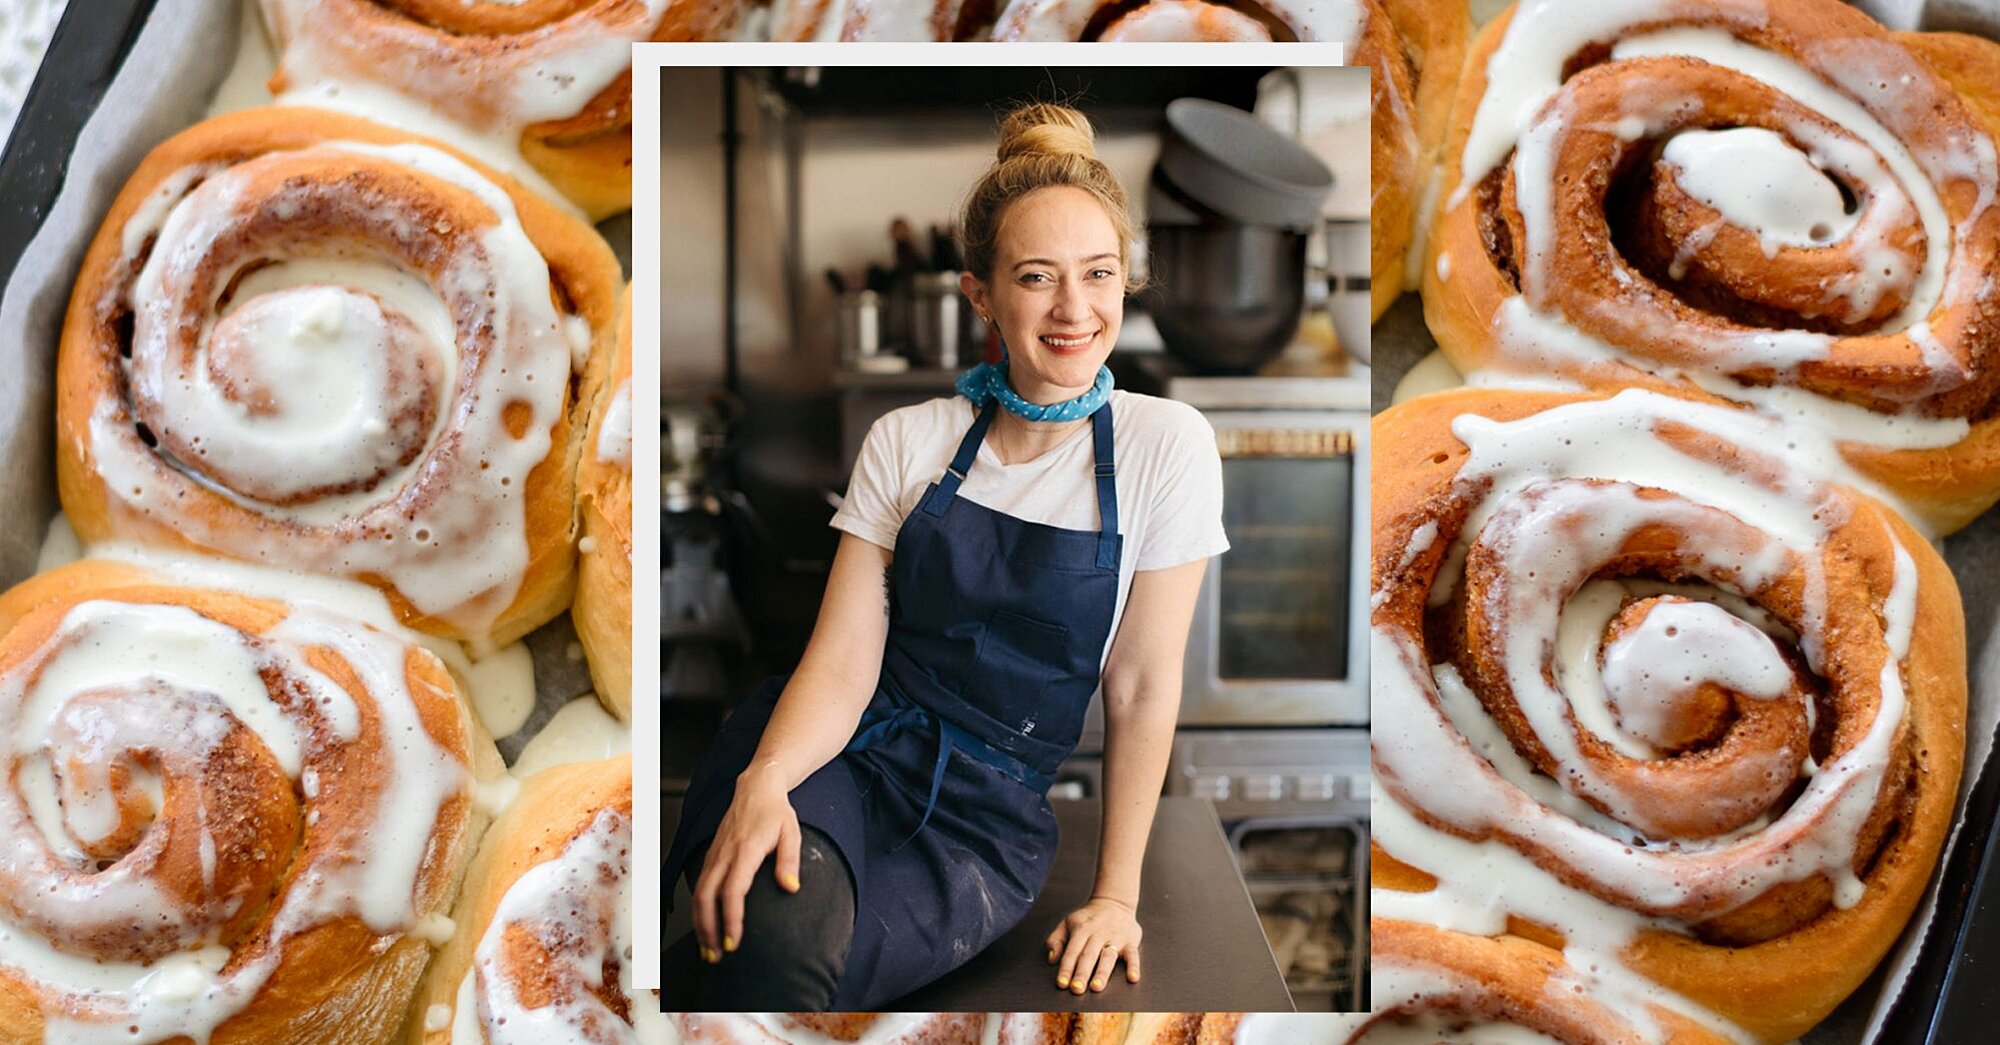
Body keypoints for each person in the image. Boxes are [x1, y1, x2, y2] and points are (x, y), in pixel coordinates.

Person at [663, 101, 1227, 1010]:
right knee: (758, 919)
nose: (1074, 308)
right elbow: (844, 660)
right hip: (843, 746)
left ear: (1127, 283)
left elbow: (1141, 685)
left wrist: (1116, 897)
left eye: (1100, 274)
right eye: (1038, 277)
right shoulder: (908, 440)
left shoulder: (1167, 445)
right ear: (982, 296)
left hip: (986, 819)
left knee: (778, 969)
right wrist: (768, 778)